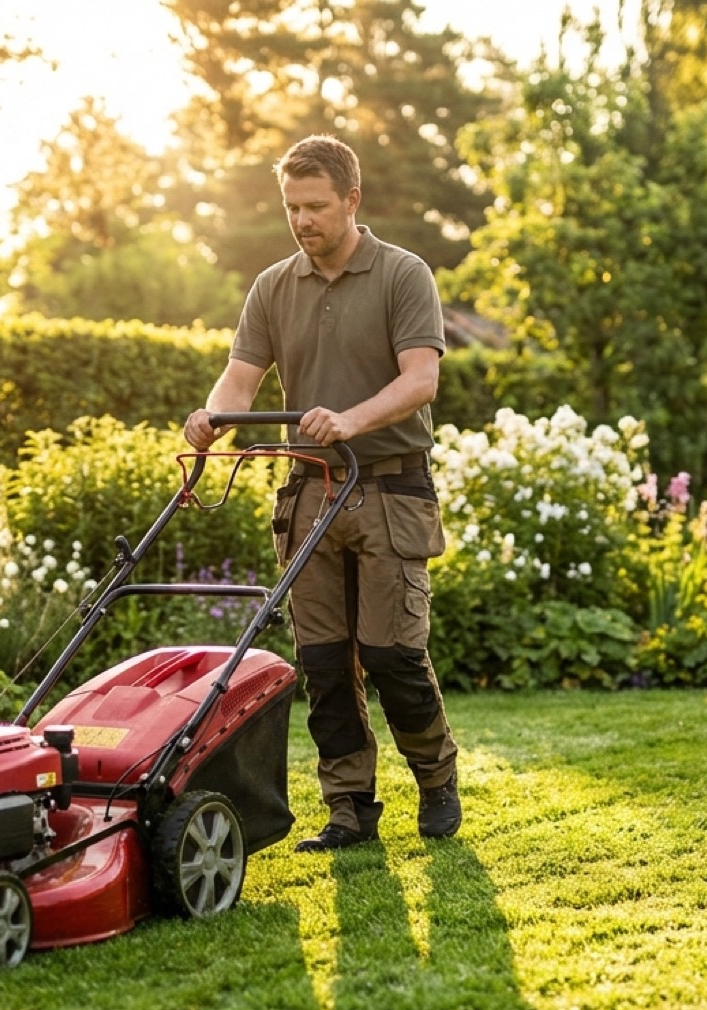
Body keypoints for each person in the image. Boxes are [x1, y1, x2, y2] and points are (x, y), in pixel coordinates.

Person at [185, 134, 460, 851]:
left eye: (315, 206)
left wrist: (348, 420)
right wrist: (213, 418)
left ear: (351, 201)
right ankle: (348, 807)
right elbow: (240, 378)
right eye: (291, 208)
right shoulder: (274, 286)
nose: (302, 220)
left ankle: (436, 779)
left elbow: (420, 380)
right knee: (325, 661)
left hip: (391, 490)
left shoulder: (402, 274)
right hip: (310, 491)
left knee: (394, 653)